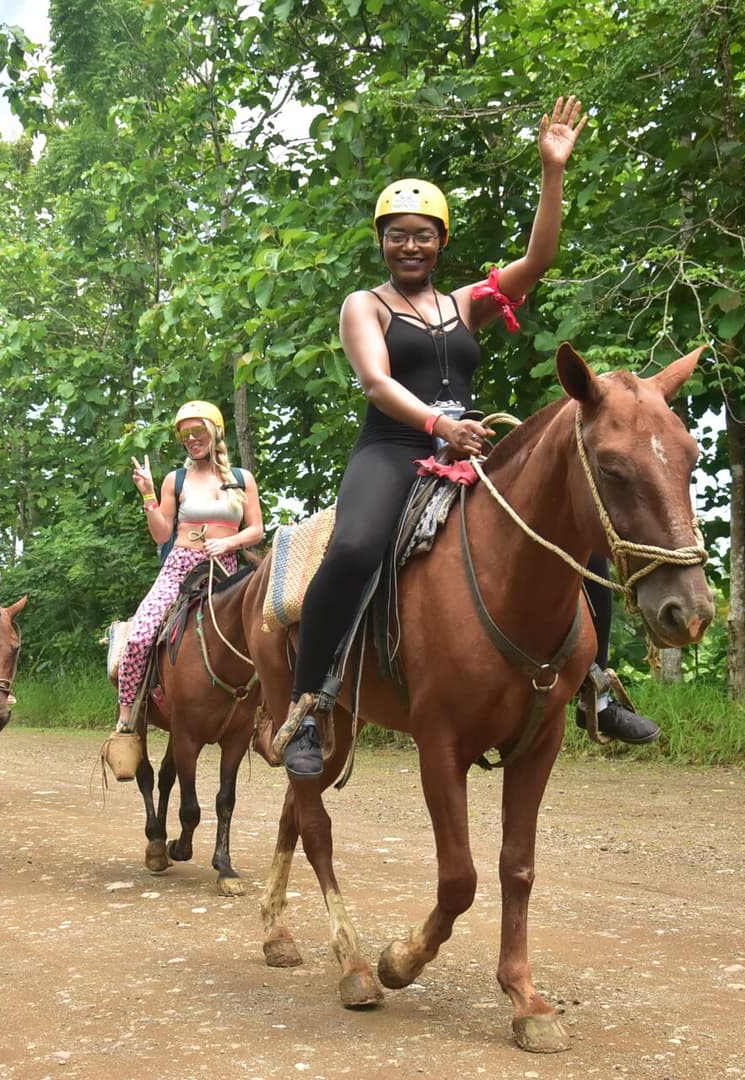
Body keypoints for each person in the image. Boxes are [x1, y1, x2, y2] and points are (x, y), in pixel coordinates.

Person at [281, 95, 658, 780]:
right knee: (357, 545)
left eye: (424, 234)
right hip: (395, 449)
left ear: (442, 241)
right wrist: (437, 424)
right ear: (381, 241)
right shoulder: (363, 306)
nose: (411, 245)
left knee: (576, 533)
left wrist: (553, 170)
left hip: (470, 452)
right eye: (397, 234)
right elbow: (375, 383)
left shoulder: (463, 306)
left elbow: (539, 258)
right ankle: (310, 707)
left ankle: (597, 687)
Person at [113, 401, 264, 734]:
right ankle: (128, 710)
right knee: (139, 637)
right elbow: (162, 533)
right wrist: (149, 495)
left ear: (215, 432)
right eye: (185, 434)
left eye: (198, 431)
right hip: (180, 568)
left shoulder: (242, 478)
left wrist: (229, 543)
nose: (192, 439)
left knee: (266, 632)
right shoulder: (175, 479)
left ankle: (267, 714)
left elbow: (256, 529)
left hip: (225, 569)